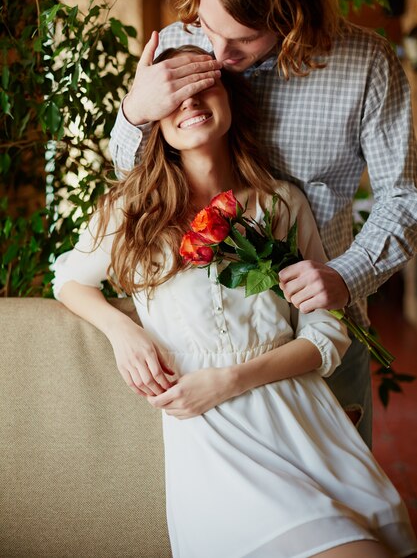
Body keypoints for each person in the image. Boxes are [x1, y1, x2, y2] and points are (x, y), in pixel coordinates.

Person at [52, 45, 417, 558]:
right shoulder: (131, 207)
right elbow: (68, 278)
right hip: (212, 440)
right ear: (154, 119)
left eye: (204, 86)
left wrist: (228, 380)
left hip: (300, 416)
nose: (191, 102)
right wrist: (122, 332)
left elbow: (327, 331)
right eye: (174, 94)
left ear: (229, 99)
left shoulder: (281, 202)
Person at [108, 0, 417, 448]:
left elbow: (403, 198)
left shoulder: (367, 63)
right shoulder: (180, 44)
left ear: (294, 16)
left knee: (340, 497)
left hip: (320, 334)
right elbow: (133, 176)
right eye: (209, 26)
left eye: (245, 39)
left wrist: (345, 276)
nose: (221, 54)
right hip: (205, 349)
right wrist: (134, 112)